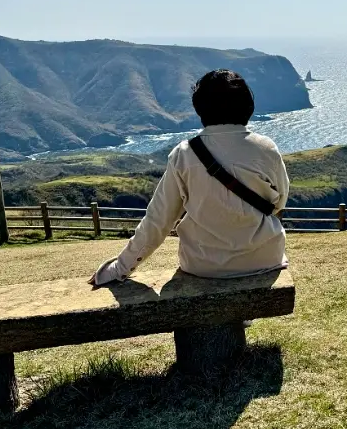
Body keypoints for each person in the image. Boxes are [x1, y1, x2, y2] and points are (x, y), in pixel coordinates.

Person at [90, 69, 289, 286]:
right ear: (247, 105)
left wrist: (119, 268)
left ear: (200, 108)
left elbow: (158, 220)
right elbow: (279, 203)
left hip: (203, 266)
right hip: (265, 259)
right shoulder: (266, 149)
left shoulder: (184, 155)